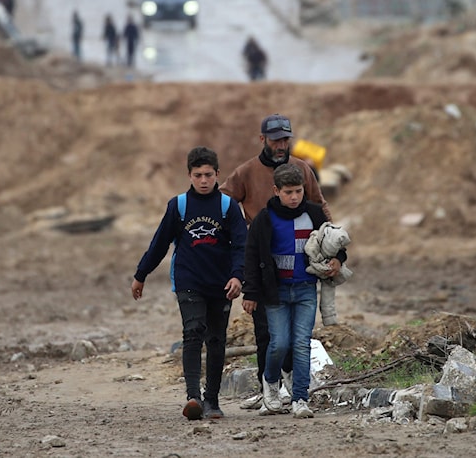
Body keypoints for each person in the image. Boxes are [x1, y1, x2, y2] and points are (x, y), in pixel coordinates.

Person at [220, 114, 330, 414]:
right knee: (267, 335)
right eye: (275, 140)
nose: (281, 145)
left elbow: (320, 208)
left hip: (300, 268)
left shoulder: (303, 169)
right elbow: (223, 204)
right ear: (262, 140)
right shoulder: (246, 172)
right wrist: (239, 238)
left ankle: (295, 392)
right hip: (263, 263)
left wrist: (333, 246)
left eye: (285, 139)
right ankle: (267, 389)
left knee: (297, 339)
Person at [131, 146, 247, 421]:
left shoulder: (228, 206)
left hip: (222, 283)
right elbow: (159, 244)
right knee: (193, 331)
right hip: (189, 280)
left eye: (208, 175)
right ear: (189, 175)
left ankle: (212, 401)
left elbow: (241, 246)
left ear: (218, 174)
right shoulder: (179, 206)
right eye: (198, 175)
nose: (204, 180)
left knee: (217, 339)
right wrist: (141, 274)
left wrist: (237, 276)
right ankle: (193, 396)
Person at [242, 162, 341, 419]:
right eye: (288, 192)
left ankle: (300, 398)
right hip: (276, 293)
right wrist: (251, 293)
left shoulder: (315, 214)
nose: (294, 197)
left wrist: (339, 259)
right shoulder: (264, 219)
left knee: (301, 344)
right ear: (276, 191)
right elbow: (252, 257)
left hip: (306, 290)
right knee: (278, 344)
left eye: (298, 191)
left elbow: (335, 241)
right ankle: (271, 385)